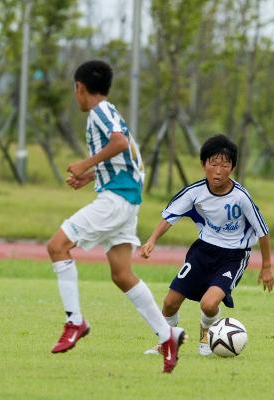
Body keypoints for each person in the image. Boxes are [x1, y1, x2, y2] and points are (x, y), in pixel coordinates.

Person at [46, 60, 186, 373]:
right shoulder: (110, 112)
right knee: (121, 274)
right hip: (125, 199)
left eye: (75, 90)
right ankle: (168, 337)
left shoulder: (100, 112)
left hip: (116, 200)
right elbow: (129, 156)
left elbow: (120, 143)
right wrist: (92, 174)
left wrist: (84, 164)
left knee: (57, 247)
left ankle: (75, 322)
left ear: (80, 88)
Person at [140, 134, 274, 356]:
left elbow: (263, 231)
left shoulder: (241, 197)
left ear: (232, 167)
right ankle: (167, 343)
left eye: (225, 165)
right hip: (202, 251)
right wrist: (151, 240)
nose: (219, 171)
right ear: (204, 165)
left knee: (209, 304)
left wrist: (267, 266)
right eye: (214, 164)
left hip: (233, 256)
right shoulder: (195, 192)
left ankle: (206, 336)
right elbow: (169, 217)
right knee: (170, 302)